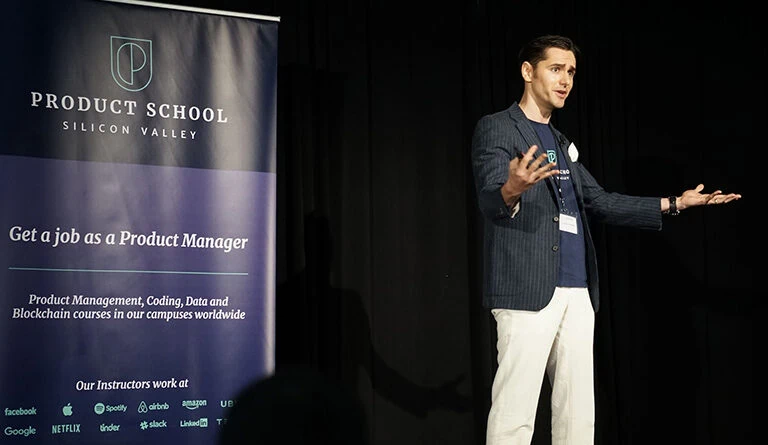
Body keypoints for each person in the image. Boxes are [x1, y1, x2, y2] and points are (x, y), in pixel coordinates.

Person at [470, 34, 741, 445]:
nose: (566, 80)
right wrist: (512, 187)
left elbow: (599, 200)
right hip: (527, 288)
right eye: (555, 69)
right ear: (528, 71)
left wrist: (675, 203)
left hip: (578, 291)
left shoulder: (561, 142)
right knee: (514, 414)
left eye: (571, 72)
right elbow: (490, 199)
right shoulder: (498, 126)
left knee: (578, 414)